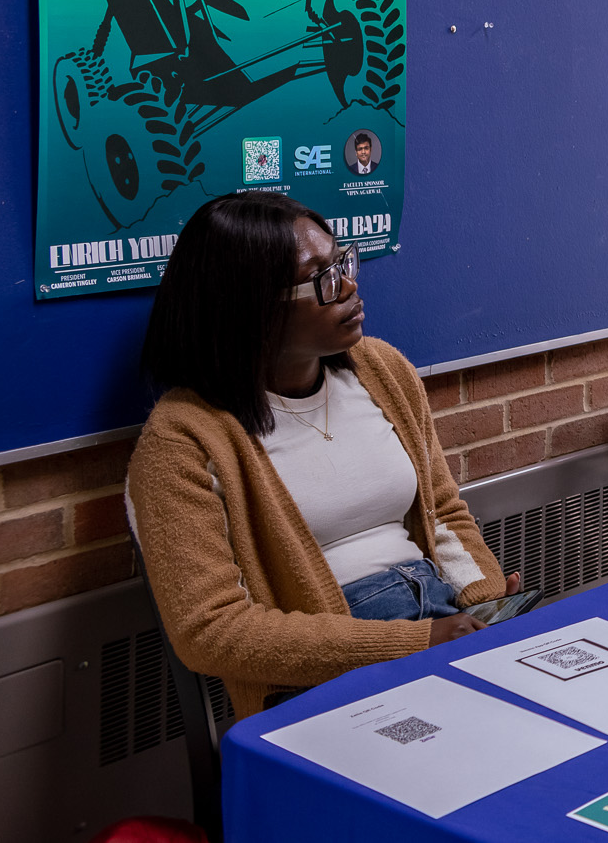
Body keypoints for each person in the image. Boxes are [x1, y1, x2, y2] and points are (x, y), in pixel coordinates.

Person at [126, 192, 518, 720]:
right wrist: (409, 643)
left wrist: (486, 603)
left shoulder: (381, 369)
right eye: (323, 278)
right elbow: (212, 631)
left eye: (343, 263)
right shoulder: (183, 440)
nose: (350, 286)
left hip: (440, 623)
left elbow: (442, 512)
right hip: (318, 683)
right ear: (251, 305)